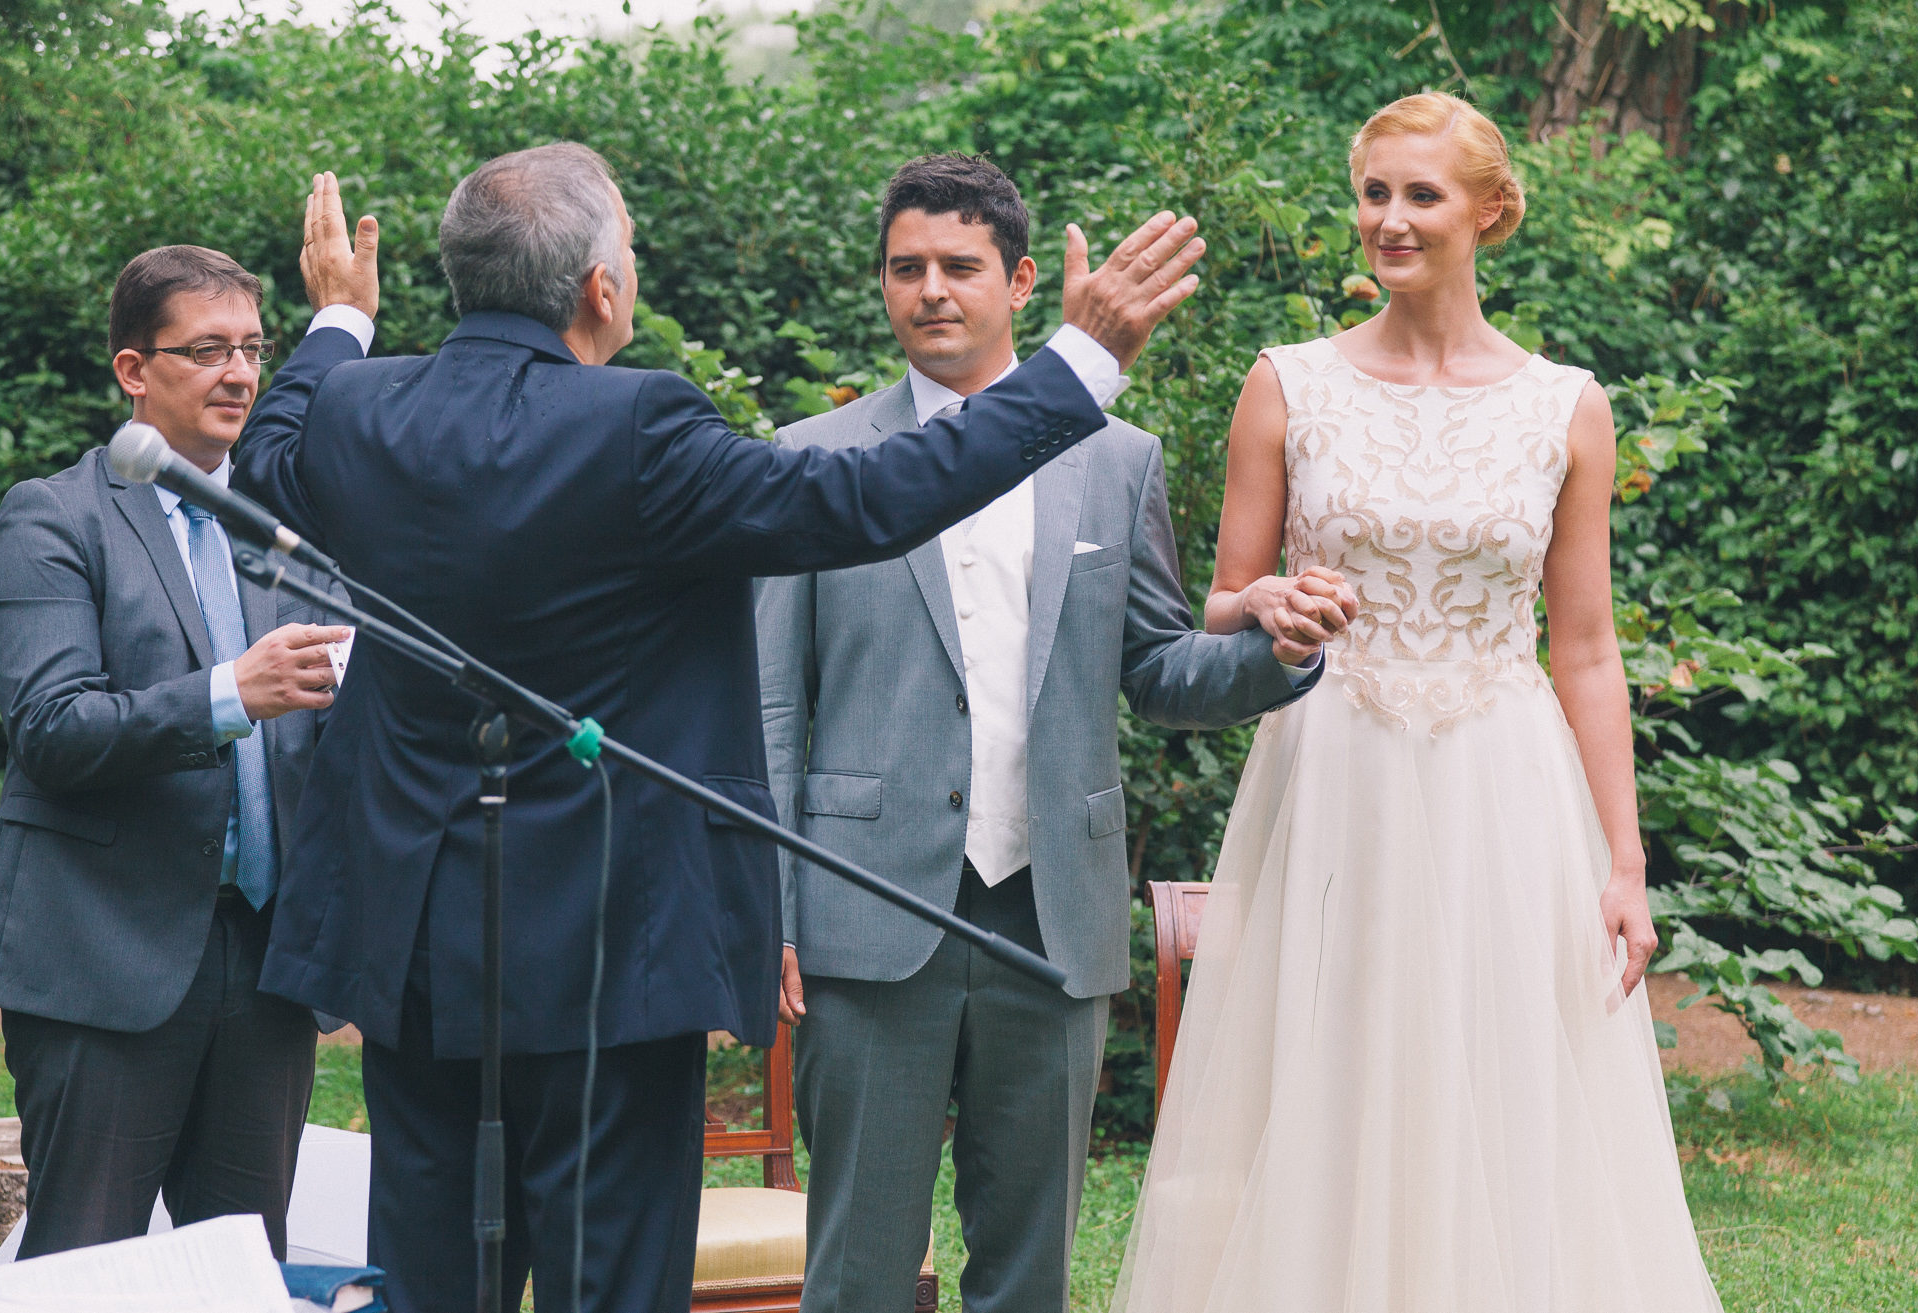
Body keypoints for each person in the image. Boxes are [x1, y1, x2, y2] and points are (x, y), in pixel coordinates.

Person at [233, 147, 1206, 1313]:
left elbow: (264, 454)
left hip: (410, 933)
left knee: (435, 1273)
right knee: (612, 1278)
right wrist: (1081, 360)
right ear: (600, 288)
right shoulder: (641, 426)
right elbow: (867, 500)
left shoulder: (357, 407)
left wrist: (339, 319)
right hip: (612, 943)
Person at [1109, 92, 1723, 1311]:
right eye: (1374, 193)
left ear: (1490, 211)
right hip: (1335, 769)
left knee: (1501, 1069)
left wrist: (1625, 860)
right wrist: (1266, 600)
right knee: (1332, 1065)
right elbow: (1217, 607)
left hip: (1504, 784)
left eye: (1421, 195)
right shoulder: (1287, 385)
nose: (1390, 219)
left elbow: (1585, 650)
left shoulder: (1566, 405)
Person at [753, 153, 1348, 1313]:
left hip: (1053, 912)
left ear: (1021, 281)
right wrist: (767, 904)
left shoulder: (1115, 460)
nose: (931, 289)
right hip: (865, 909)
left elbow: (1158, 668)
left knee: (1028, 1273)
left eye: (959, 266)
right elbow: (774, 705)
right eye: (905, 268)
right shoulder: (814, 458)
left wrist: (1277, 654)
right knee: (858, 1270)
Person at [0, 245, 353, 1259]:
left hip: (265, 966)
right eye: (208, 350)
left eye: (253, 348)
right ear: (134, 369)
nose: (240, 374)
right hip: (105, 959)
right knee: (83, 1269)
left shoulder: (283, 534)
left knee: (241, 1270)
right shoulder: (54, 515)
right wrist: (231, 693)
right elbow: (52, 728)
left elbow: (327, 733)